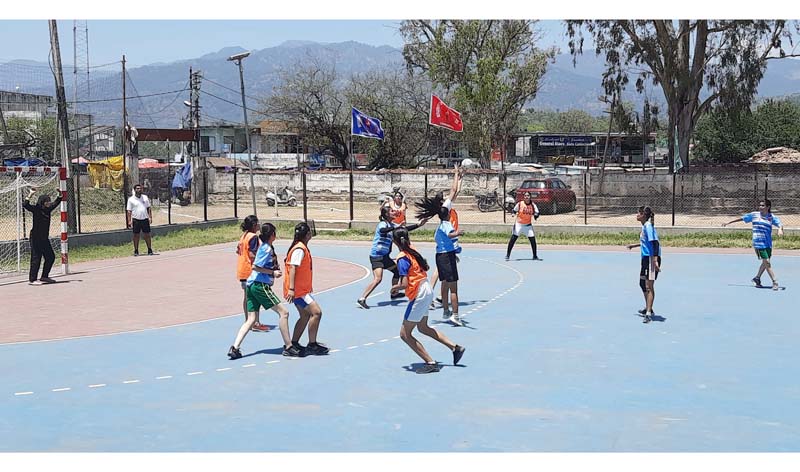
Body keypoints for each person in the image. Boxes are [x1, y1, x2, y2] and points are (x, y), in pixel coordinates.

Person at [392, 227, 465, 374]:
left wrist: (395, 288)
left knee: (404, 334)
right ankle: (455, 347)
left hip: (419, 293)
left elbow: (405, 284)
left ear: (394, 241)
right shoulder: (412, 250)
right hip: (426, 288)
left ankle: (430, 362)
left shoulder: (402, 258)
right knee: (423, 327)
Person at [228, 223, 300, 360]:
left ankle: (235, 347)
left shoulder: (265, 246)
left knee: (251, 319)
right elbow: (255, 267)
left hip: (251, 285)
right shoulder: (266, 249)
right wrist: (272, 273)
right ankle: (289, 346)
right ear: (272, 234)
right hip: (259, 285)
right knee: (284, 313)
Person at [357, 207, 429, 309]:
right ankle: (362, 299)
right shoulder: (383, 224)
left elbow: (402, 230)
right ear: (386, 214)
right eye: (391, 211)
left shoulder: (393, 225)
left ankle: (394, 293)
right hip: (377, 257)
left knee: (396, 272)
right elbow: (383, 231)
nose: (394, 212)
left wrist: (418, 225)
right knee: (378, 279)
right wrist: (395, 227)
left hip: (385, 257)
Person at [415, 195, 464, 326]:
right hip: (447, 257)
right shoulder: (447, 225)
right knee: (453, 288)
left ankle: (446, 310)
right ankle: (455, 315)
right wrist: (458, 233)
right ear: (448, 215)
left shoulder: (440, 226)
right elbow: (450, 234)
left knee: (445, 284)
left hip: (441, 256)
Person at [284, 222, 329, 355]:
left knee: (304, 315)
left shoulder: (300, 247)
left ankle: (294, 342)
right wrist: (291, 289)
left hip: (300, 290)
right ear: (308, 234)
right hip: (298, 291)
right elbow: (293, 267)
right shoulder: (299, 249)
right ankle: (312, 344)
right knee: (316, 313)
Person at [723, 199, 784, 290]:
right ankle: (775, 282)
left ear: (768, 207)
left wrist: (780, 229)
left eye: (763, 205)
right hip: (758, 243)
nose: (760, 207)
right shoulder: (754, 215)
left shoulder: (771, 217)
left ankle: (757, 278)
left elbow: (780, 224)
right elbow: (742, 218)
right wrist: (728, 222)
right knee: (767, 262)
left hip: (768, 243)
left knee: (765, 263)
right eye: (760, 205)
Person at [430, 164, 464, 308]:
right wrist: (455, 173)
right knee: (441, 270)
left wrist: (461, 176)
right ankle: (430, 293)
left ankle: (439, 297)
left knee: (444, 272)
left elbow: (456, 190)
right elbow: (454, 190)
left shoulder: (444, 207)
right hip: (448, 239)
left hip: (449, 241)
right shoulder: (446, 206)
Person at [626, 206, 661, 323]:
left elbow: (655, 244)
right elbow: (645, 242)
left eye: (639, 213)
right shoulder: (644, 227)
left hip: (651, 259)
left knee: (649, 286)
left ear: (643, 215)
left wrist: (655, 261)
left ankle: (649, 313)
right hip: (645, 259)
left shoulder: (648, 226)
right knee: (642, 283)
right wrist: (634, 245)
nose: (637, 215)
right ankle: (648, 306)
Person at [235, 215, 269, 332]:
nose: (259, 225)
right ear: (254, 225)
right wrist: (261, 265)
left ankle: (249, 321)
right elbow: (252, 255)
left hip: (242, 270)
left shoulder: (243, 236)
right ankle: (254, 322)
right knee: (254, 297)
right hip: (250, 270)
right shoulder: (253, 237)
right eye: (258, 223)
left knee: (247, 297)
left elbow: (238, 250)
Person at [22, 187, 62, 285]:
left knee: (50, 257)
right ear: (42, 202)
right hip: (35, 238)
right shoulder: (36, 209)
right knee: (36, 258)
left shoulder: (48, 209)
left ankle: (44, 276)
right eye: (46, 201)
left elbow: (57, 202)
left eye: (49, 201)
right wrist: (30, 194)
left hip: (44, 238)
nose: (49, 203)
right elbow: (25, 205)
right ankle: (32, 279)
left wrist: (60, 194)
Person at [505, 191, 541, 261]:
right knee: (513, 238)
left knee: (533, 240)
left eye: (528, 196)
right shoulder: (520, 204)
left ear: (530, 197)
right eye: (525, 196)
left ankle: (535, 256)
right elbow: (514, 210)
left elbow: (537, 212)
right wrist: (513, 213)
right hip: (519, 224)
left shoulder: (533, 205)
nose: (526, 197)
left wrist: (536, 215)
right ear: (524, 197)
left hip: (528, 225)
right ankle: (508, 255)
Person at [126, 183, 154, 256]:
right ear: (134, 190)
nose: (139, 190)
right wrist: (129, 221)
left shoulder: (145, 197)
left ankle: (149, 249)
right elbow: (129, 211)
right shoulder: (131, 199)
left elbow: (148, 208)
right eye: (137, 188)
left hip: (145, 219)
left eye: (140, 188)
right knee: (136, 235)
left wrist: (150, 217)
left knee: (147, 235)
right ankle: (136, 250)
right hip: (136, 220)